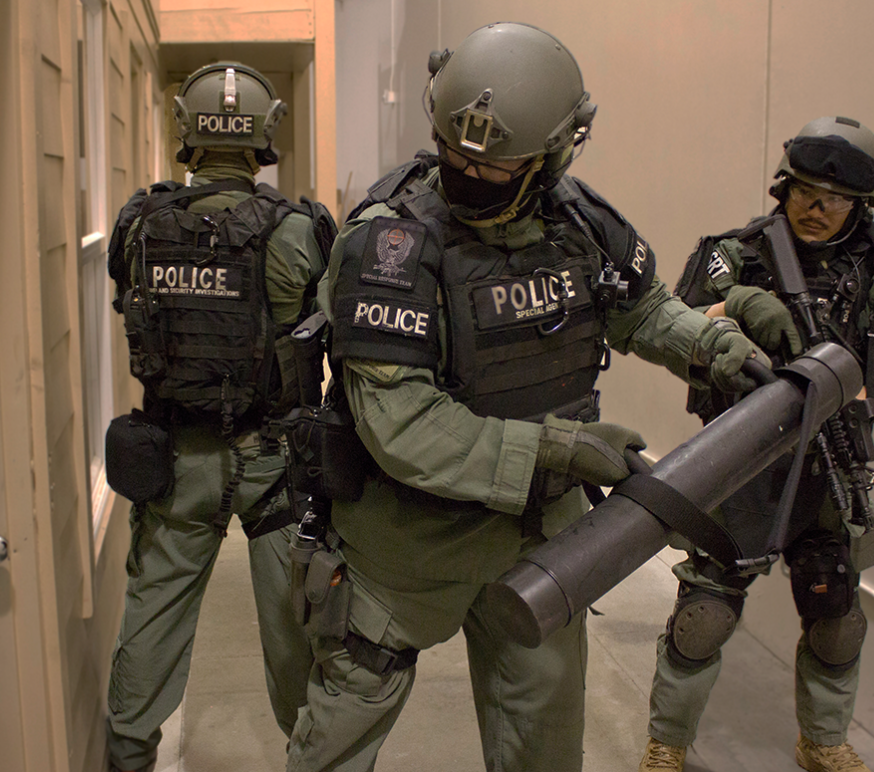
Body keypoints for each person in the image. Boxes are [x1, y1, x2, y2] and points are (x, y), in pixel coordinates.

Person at [285, 22, 766, 772]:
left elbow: (640, 309)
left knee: (543, 744)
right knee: (337, 740)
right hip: (404, 542)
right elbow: (401, 425)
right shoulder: (389, 247)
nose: (469, 174)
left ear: (554, 152)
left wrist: (711, 346)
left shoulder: (581, 222)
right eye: (453, 152)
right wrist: (561, 448)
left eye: (498, 163)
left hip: (540, 535)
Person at [639, 117, 874, 772]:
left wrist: (853, 401)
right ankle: (666, 744)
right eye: (803, 190)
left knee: (836, 623)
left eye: (832, 198)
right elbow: (675, 326)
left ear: (861, 205)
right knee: (704, 618)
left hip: (832, 469)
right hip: (738, 466)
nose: (815, 207)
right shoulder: (734, 254)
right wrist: (741, 304)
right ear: (785, 185)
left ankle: (823, 741)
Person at [103, 61, 331, 772]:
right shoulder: (297, 234)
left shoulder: (140, 225)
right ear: (265, 132)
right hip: (273, 463)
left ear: (187, 131)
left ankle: (129, 750)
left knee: (155, 611)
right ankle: (315, 754)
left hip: (177, 458)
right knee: (298, 626)